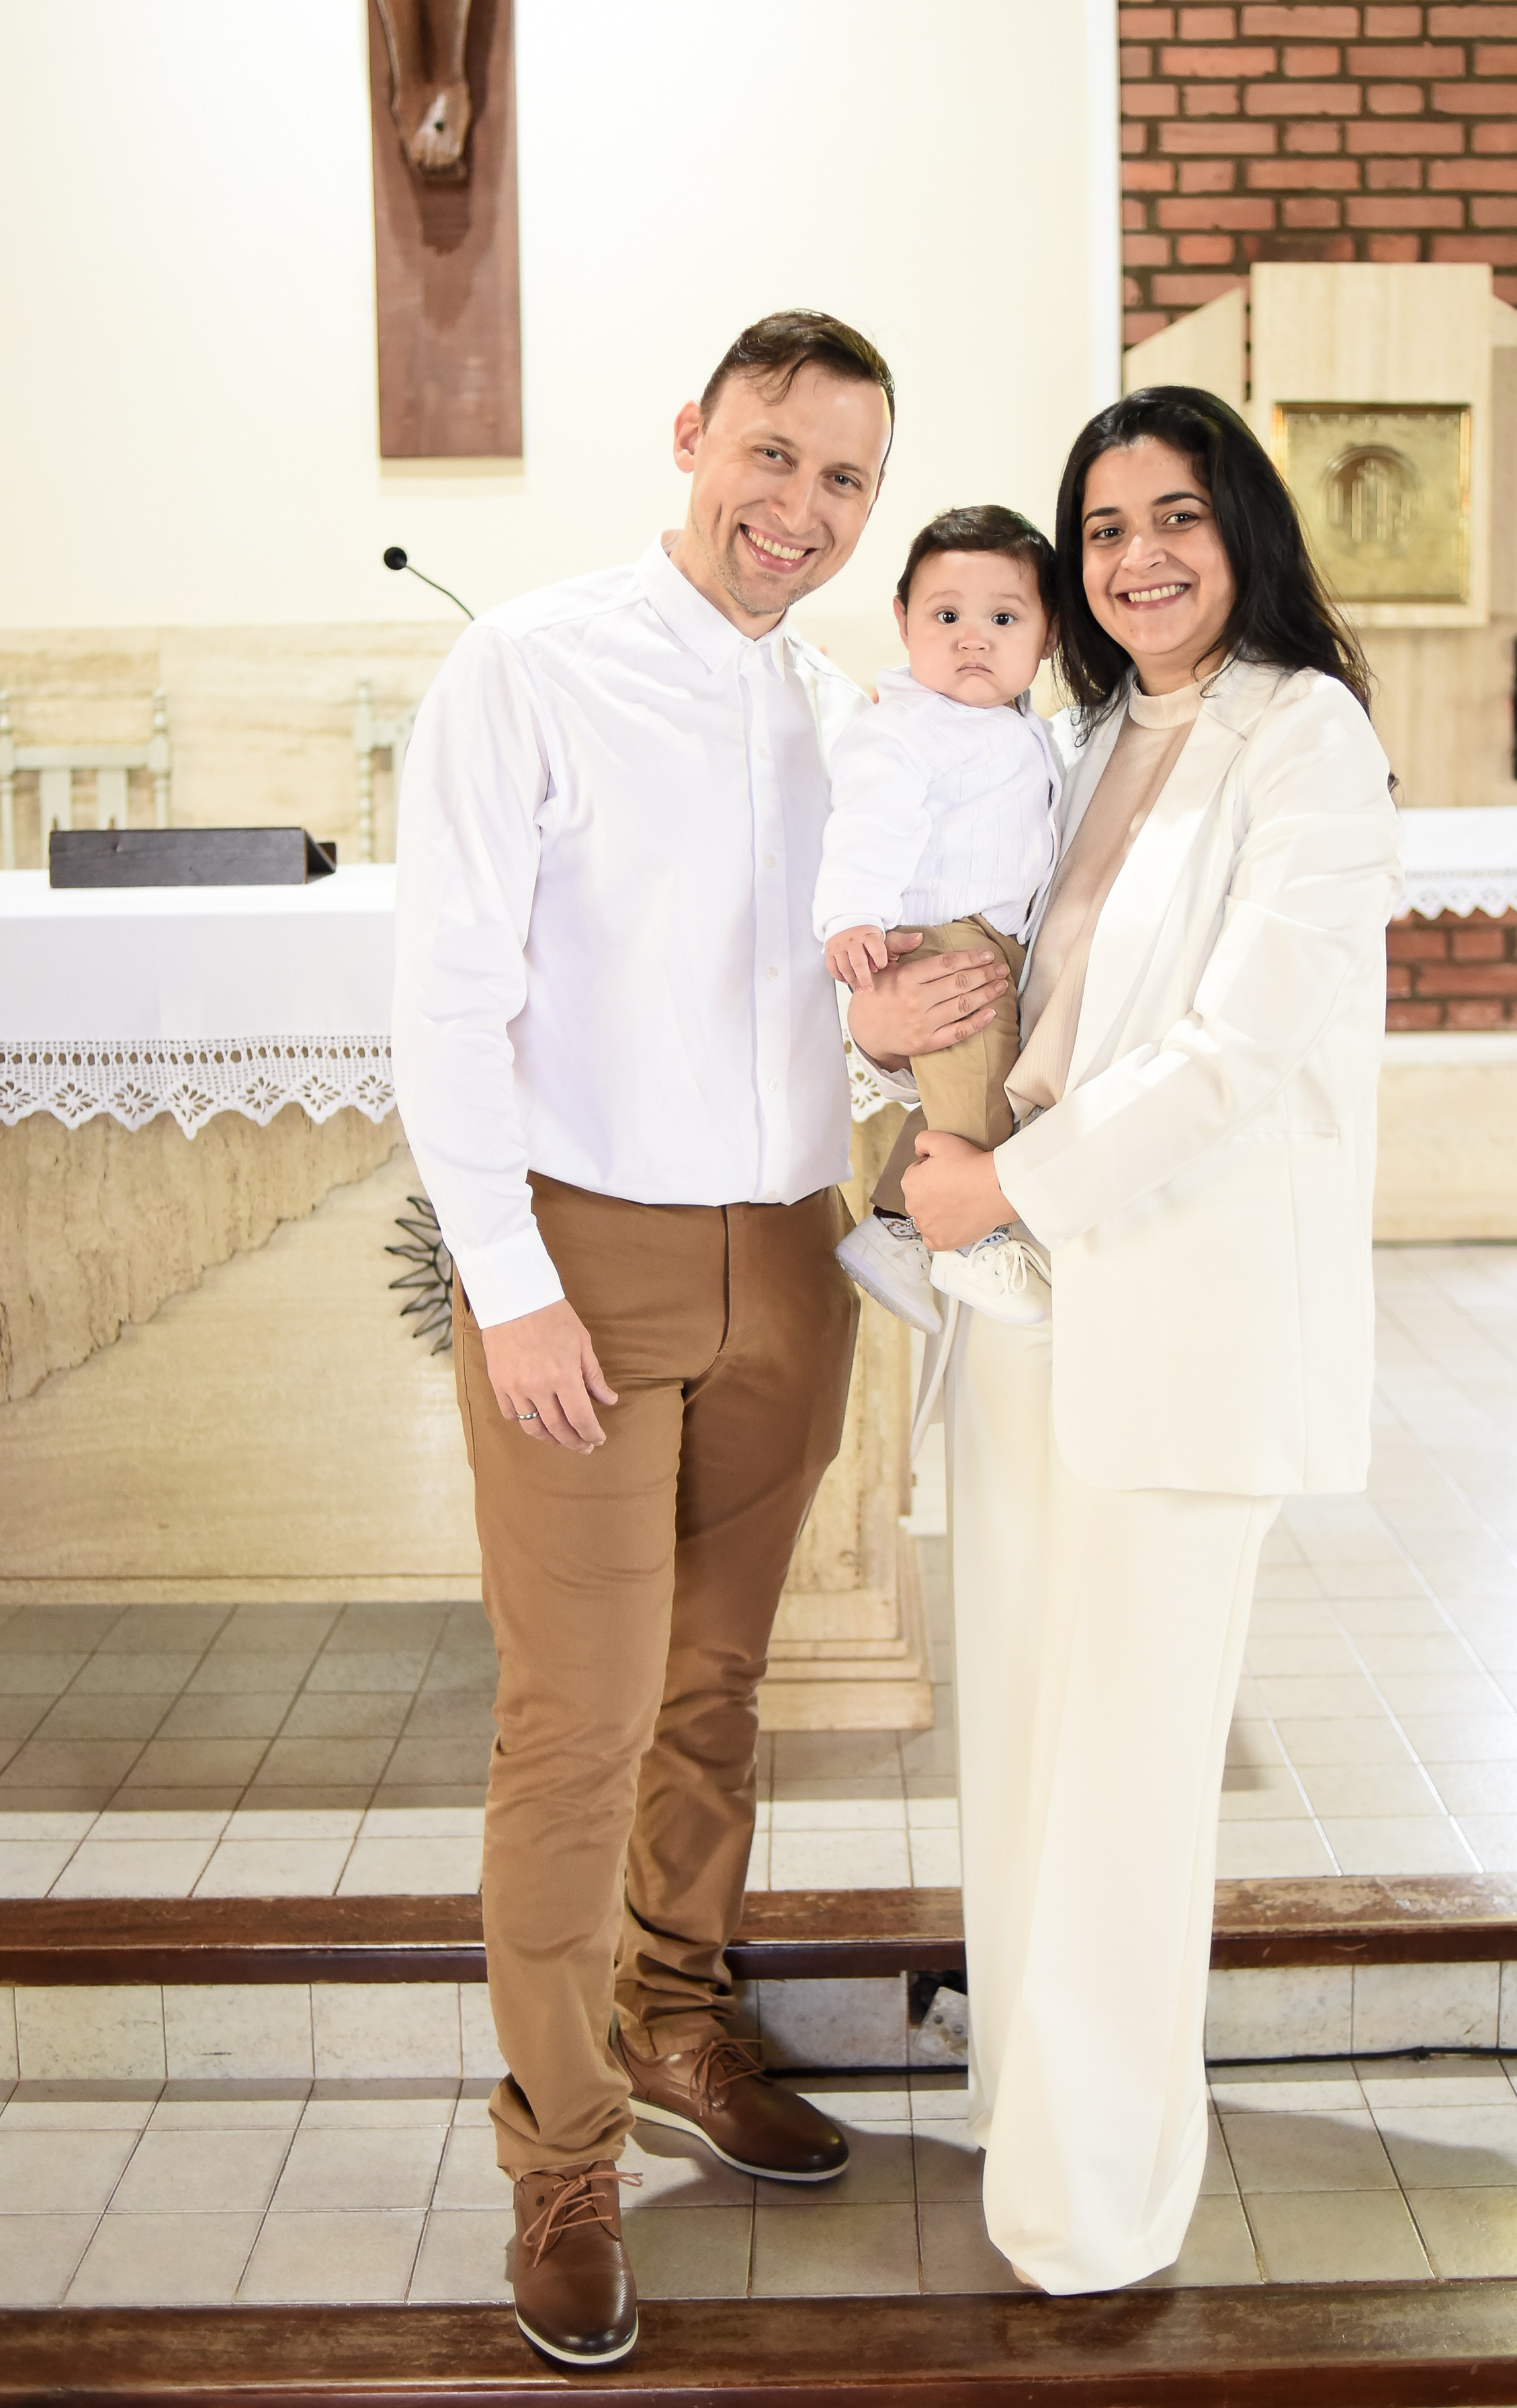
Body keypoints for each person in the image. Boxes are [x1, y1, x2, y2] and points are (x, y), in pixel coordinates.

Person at [390, 310, 1013, 2368]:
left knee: (718, 1692)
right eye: (772, 455)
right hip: (589, 1257)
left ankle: (673, 2017)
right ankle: (558, 2154)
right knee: (573, 1717)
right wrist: (508, 1276)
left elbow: (819, 978)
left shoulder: (851, 714)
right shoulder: (532, 663)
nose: (799, 508)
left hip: (784, 1253)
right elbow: (448, 985)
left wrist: (915, 1018)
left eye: (844, 479)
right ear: (691, 438)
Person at [847, 385, 1402, 2294]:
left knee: (1129, 1772)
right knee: (1016, 1732)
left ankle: (1099, 2206)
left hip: (1169, 1299)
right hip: (1022, 1316)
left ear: (1241, 524)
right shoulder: (1091, 735)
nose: (1139, 555)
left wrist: (1012, 1190)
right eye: (1102, 529)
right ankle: (1028, 2109)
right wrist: (902, 1011)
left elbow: (1244, 1056)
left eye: (1176, 514)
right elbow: (1022, 969)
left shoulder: (1303, 736)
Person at [816, 505, 1060, 1333]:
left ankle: (893, 1229)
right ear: (902, 620)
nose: (972, 639)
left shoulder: (1024, 727)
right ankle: (971, 1241)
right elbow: (868, 822)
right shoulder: (900, 728)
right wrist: (852, 914)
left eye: (1003, 618)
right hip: (939, 939)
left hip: (1001, 935)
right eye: (945, 616)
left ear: (1049, 634)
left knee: (975, 1083)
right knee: (978, 1094)